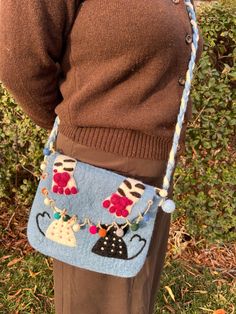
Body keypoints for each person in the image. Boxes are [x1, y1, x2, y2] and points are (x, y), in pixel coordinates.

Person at [0, 1, 204, 313]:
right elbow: (18, 58)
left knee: (135, 299)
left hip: (152, 181)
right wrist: (82, 125)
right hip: (95, 170)